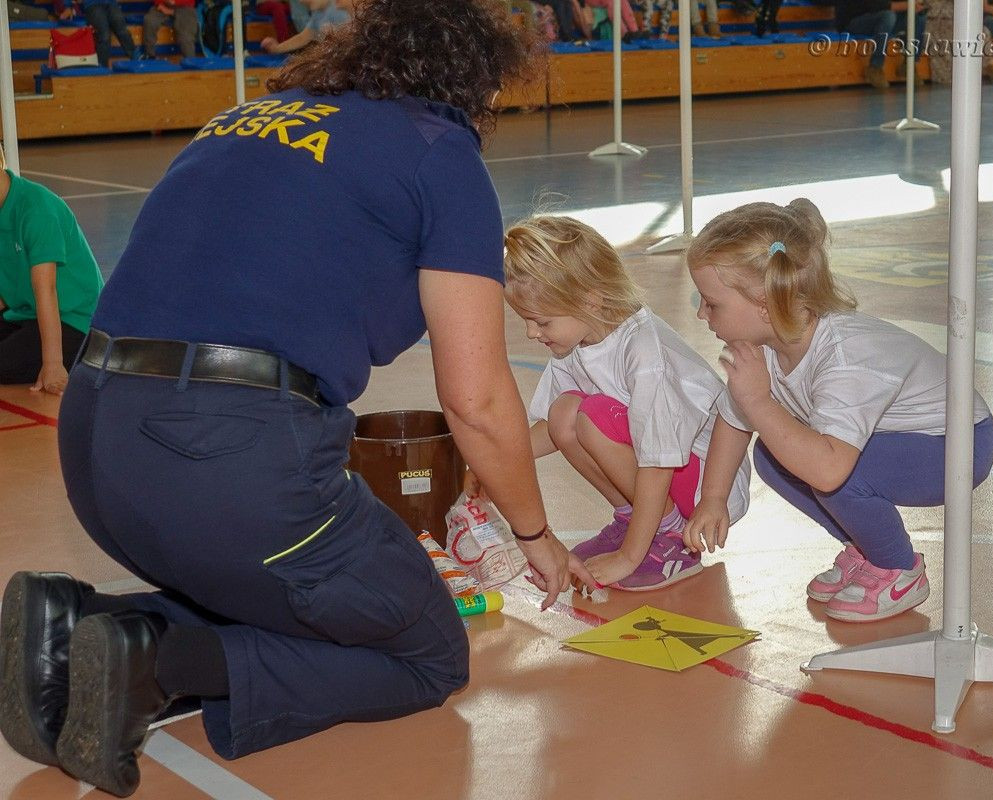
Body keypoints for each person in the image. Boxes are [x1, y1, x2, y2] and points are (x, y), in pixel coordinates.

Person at [0, 2, 593, 797]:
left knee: (271, 586)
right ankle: (158, 662)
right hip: (224, 459)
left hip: (99, 446)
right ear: (473, 79)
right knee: (424, 650)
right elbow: (479, 400)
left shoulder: (241, 119)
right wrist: (534, 531)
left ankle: (69, 624)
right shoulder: (437, 150)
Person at [682, 199, 993, 623]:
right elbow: (733, 420)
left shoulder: (846, 356)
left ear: (764, 304)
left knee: (832, 469)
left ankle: (897, 568)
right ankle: (866, 549)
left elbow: (829, 469)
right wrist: (714, 498)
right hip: (895, 443)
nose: (700, 313)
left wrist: (759, 400)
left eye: (710, 302)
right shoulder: (766, 347)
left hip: (956, 444)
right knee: (774, 457)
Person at [492, 215, 752, 590]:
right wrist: (492, 463)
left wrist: (628, 558)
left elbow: (658, 463)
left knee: (591, 417)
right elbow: (553, 430)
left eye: (542, 322)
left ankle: (669, 539)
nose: (532, 334)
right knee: (565, 412)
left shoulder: (644, 353)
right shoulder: (577, 340)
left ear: (591, 301)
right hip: (661, 470)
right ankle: (636, 523)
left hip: (704, 480)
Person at [0, 147, 104, 394]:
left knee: (4, 364)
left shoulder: (35, 208)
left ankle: (76, 356)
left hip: (73, 319)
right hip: (27, 313)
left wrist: (53, 364)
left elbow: (46, 290)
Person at [260, 0, 347, 53]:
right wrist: (277, 48)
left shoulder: (339, 9)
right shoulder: (318, 12)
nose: (301, 2)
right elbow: (303, 37)